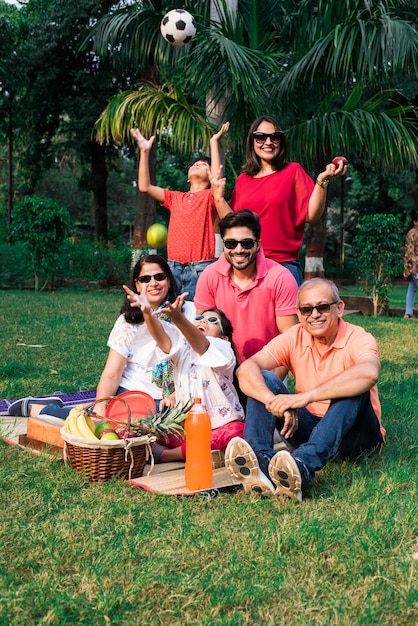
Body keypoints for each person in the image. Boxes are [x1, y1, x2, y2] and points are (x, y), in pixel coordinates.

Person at [224, 278, 385, 502]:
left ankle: (301, 467)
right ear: (299, 314)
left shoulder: (358, 337)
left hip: (356, 438)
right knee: (264, 378)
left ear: (339, 308)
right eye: (307, 309)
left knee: (353, 388)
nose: (314, 314)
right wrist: (274, 401)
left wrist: (302, 398)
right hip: (309, 429)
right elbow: (246, 369)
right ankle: (261, 463)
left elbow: (369, 372)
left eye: (322, 307)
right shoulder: (294, 336)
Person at [8, 255, 195, 420]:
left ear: (169, 281)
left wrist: (178, 393)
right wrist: (101, 404)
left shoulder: (191, 312)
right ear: (137, 285)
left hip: (179, 396)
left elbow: (201, 361)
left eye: (159, 277)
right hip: (133, 396)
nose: (153, 283)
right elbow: (112, 374)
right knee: (106, 424)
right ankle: (42, 410)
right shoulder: (128, 322)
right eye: (145, 279)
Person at [210, 115, 347, 285]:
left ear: (281, 141)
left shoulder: (293, 171)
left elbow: (312, 215)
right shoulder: (244, 180)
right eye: (260, 137)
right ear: (252, 141)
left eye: (274, 137)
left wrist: (322, 181)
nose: (268, 142)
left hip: (282, 266)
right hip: (247, 267)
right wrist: (218, 198)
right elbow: (233, 225)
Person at [122, 286, 245, 462]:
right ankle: (193, 451)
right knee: (143, 429)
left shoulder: (223, 350)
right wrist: (148, 313)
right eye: (199, 318)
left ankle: (168, 455)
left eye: (212, 320)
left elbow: (202, 346)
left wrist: (178, 318)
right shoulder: (183, 349)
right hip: (188, 428)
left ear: (225, 337)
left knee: (237, 434)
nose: (203, 321)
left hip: (220, 426)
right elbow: (163, 340)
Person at [130, 122, 230, 300]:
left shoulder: (210, 197)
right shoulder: (175, 197)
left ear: (211, 176)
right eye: (195, 164)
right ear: (187, 178)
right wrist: (144, 152)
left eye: (204, 165)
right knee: (169, 319)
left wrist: (214, 142)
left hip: (200, 269)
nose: (198, 165)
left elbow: (217, 180)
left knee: (196, 319)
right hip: (172, 268)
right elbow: (145, 187)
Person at [194, 209, 299, 366]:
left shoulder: (280, 278)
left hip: (267, 367)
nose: (239, 250)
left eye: (247, 243)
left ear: (258, 244)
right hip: (221, 365)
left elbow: (290, 340)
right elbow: (202, 334)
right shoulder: (210, 275)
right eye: (231, 243)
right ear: (223, 244)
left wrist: (273, 381)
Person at [403, 212, 418, 319]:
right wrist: (414, 266)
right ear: (415, 222)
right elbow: (410, 251)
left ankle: (408, 313)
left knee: (412, 288)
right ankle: (408, 312)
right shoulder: (412, 233)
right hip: (413, 265)